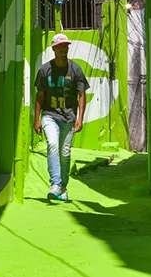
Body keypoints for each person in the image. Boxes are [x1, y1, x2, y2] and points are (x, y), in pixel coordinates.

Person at [34, 33, 89, 201]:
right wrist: (36, 119)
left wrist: (80, 118)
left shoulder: (76, 69)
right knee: (52, 144)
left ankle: (63, 187)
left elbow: (82, 95)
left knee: (64, 153)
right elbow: (40, 96)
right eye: (60, 47)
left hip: (69, 117)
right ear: (54, 49)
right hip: (50, 115)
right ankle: (55, 184)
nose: (64, 49)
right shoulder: (45, 70)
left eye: (66, 46)